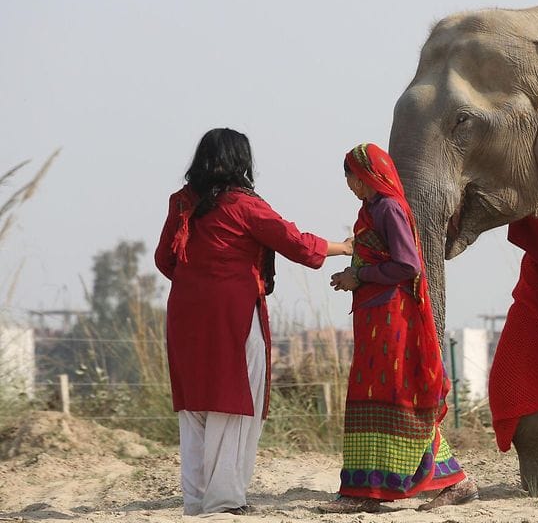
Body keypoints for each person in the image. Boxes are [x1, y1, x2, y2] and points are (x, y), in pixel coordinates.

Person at [155, 128, 351, 515]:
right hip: (233, 311)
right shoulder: (244, 205)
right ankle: (224, 501)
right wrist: (342, 247)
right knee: (235, 400)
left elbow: (165, 259)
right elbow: (295, 243)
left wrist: (199, 280)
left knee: (194, 407)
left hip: (185, 312)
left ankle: (196, 501)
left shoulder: (182, 203)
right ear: (242, 161)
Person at [319, 143, 478, 514]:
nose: (349, 184)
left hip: (392, 318)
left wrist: (358, 275)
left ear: (368, 175)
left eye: (352, 177)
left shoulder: (389, 208)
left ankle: (447, 481)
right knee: (379, 397)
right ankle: (372, 489)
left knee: (398, 397)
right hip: (374, 316)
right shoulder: (371, 209)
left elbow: (409, 265)